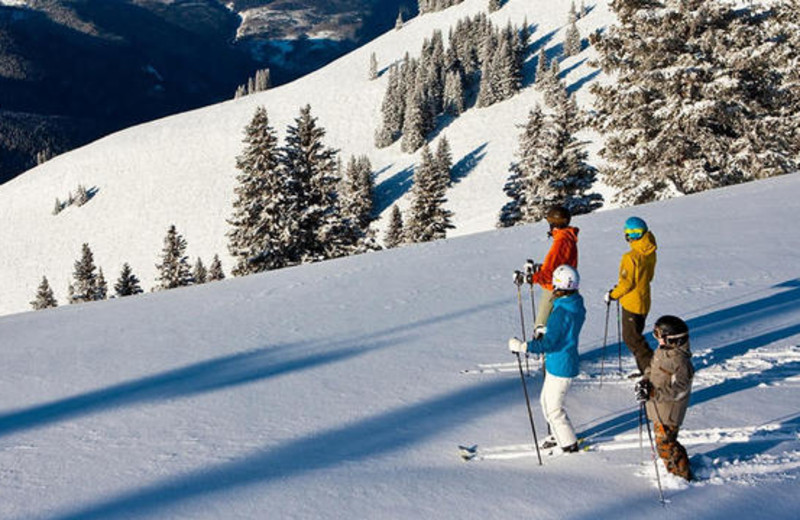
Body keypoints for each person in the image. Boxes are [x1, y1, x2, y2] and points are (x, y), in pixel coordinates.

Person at [509, 264, 585, 453]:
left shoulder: (561, 312)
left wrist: (523, 346)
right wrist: (548, 330)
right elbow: (562, 332)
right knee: (545, 400)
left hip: (561, 364)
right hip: (559, 362)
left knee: (554, 409)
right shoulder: (574, 303)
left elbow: (549, 344)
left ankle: (568, 444)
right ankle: (558, 435)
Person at [635, 315, 694, 481]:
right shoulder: (662, 352)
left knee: (665, 445)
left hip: (669, 411)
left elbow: (680, 389)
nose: (657, 339)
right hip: (657, 407)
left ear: (672, 339)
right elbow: (651, 369)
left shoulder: (680, 361)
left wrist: (654, 394)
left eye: (659, 335)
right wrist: (645, 381)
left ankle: (681, 475)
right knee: (664, 443)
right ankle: (676, 466)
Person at [605, 216, 657, 375]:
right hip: (644, 299)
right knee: (636, 335)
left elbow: (627, 283)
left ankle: (651, 370)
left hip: (632, 303)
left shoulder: (631, 257)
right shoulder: (650, 250)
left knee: (632, 339)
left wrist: (613, 294)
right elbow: (648, 276)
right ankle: (646, 369)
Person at [525, 205, 579, 339]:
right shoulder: (567, 238)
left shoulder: (562, 241)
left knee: (542, 325)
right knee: (559, 325)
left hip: (555, 288)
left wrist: (531, 278)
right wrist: (539, 269)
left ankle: (546, 356)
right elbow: (558, 265)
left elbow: (550, 273)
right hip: (566, 286)